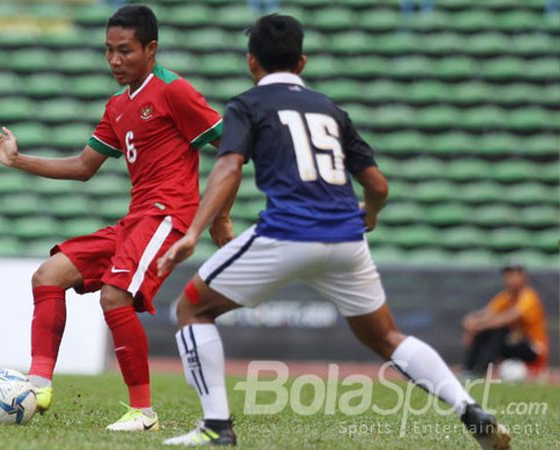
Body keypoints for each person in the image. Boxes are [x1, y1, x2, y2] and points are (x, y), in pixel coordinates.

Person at [156, 14, 510, 449]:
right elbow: (378, 185)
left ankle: (217, 428)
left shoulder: (246, 105)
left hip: (286, 233)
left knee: (192, 310)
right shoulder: (330, 110)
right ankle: (469, 409)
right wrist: (372, 214)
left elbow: (229, 166)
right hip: (346, 239)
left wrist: (194, 231)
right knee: (386, 337)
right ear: (301, 62)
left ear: (251, 62)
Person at [0, 5, 225, 432]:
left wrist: (217, 219)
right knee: (49, 274)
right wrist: (16, 160)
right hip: (136, 218)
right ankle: (38, 385)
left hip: (168, 214)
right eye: (108, 51)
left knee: (114, 296)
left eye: (125, 51)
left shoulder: (175, 91)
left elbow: (230, 149)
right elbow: (82, 166)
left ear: (151, 48)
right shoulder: (118, 105)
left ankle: (142, 411)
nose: (115, 60)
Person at [463, 263, 548, 378]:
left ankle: (482, 370)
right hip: (513, 343)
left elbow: (507, 318)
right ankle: (469, 369)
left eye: (514, 275)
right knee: (487, 331)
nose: (509, 279)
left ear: (523, 277)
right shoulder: (505, 297)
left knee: (497, 329)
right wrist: (471, 320)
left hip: (533, 348)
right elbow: (486, 313)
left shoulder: (528, 297)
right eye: (507, 275)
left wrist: (478, 325)